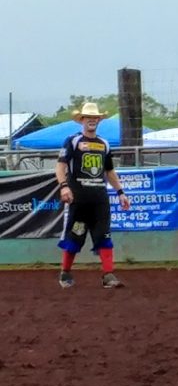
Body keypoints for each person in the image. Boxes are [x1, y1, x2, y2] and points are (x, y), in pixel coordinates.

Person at [55, 102, 131, 289]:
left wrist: (120, 192)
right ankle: (65, 273)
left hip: (99, 199)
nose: (92, 120)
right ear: (82, 120)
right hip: (78, 200)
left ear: (99, 120)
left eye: (95, 118)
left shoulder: (104, 144)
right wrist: (64, 186)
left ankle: (108, 275)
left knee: (103, 235)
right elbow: (60, 166)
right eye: (88, 117)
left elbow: (109, 171)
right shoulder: (72, 141)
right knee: (74, 236)